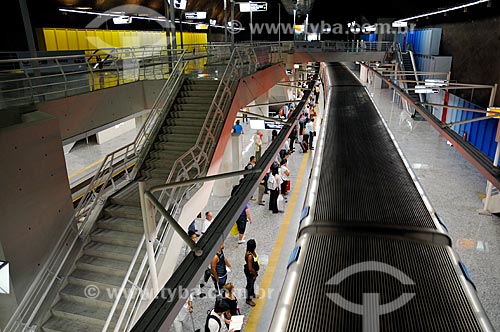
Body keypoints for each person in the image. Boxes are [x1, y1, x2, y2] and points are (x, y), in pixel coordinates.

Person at [244, 239, 260, 307]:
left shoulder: (251, 252)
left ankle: (252, 293)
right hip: (251, 273)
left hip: (253, 272)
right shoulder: (250, 256)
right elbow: (250, 268)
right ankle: (248, 299)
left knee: (252, 283)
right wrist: (255, 273)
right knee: (249, 285)